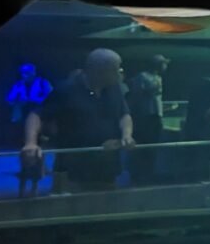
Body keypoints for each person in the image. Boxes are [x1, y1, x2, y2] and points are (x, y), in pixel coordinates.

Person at [21, 49, 134, 194]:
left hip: (107, 168)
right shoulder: (67, 90)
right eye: (116, 69)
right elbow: (36, 115)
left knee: (105, 209)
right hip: (72, 170)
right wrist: (31, 142)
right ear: (99, 70)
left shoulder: (114, 88)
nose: (120, 73)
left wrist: (127, 135)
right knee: (70, 210)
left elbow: (124, 115)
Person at [126, 54, 169, 185]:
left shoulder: (158, 77)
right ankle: (138, 175)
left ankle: (150, 174)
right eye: (164, 64)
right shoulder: (141, 77)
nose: (165, 67)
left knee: (153, 148)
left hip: (156, 117)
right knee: (142, 147)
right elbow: (137, 96)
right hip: (144, 118)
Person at [5, 63, 52, 143]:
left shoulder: (42, 82)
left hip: (40, 111)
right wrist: (19, 100)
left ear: (34, 72)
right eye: (23, 72)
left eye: (28, 72)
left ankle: (42, 134)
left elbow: (51, 96)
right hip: (24, 111)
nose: (25, 74)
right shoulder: (18, 85)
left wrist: (37, 100)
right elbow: (9, 99)